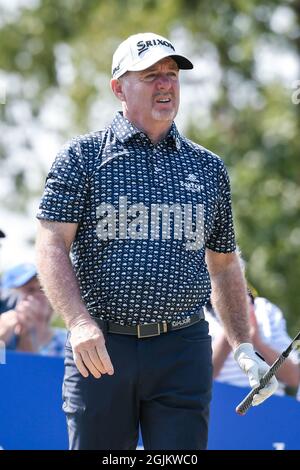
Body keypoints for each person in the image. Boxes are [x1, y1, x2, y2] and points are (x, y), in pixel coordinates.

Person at [35, 32, 278, 450]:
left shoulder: (207, 167)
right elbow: (51, 244)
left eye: (172, 74)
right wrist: (77, 323)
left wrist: (241, 345)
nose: (166, 84)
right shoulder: (82, 157)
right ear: (118, 88)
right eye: (150, 76)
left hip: (183, 349)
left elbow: (223, 264)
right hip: (101, 348)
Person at [206, 291, 300, 395]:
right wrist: (231, 329)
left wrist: (256, 342)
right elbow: (198, 380)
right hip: (219, 403)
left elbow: (294, 378)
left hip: (270, 404)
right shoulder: (195, 313)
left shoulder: (265, 309)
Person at [0, 263, 67, 356]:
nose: (39, 295)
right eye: (30, 290)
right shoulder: (6, 337)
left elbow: (36, 369)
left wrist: (27, 337)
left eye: (42, 289)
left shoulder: (68, 342)